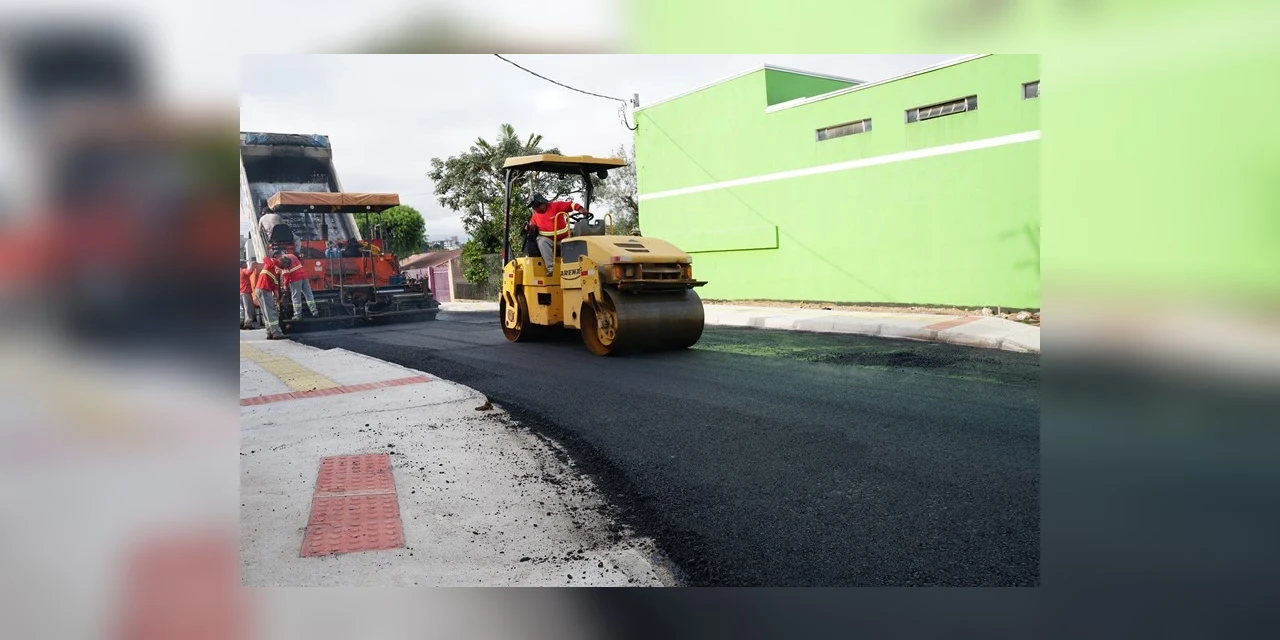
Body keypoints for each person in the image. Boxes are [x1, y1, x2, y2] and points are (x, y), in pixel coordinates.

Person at [525, 194, 583, 276]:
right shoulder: (535, 217)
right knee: (541, 241)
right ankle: (551, 269)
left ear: (542, 203)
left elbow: (570, 204)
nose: (534, 209)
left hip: (565, 238)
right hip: (550, 241)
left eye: (535, 206)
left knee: (577, 240)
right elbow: (529, 227)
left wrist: (580, 208)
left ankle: (576, 268)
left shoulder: (555, 206)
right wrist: (530, 227)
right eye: (533, 207)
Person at [279, 251, 318, 320]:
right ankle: (314, 311)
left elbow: (286, 276)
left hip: (295, 279)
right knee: (309, 295)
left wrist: (285, 285)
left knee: (296, 297)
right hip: (304, 276)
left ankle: (297, 315)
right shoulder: (292, 256)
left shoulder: (283, 262)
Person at [254, 254, 285, 339]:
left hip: (260, 289)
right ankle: (276, 333)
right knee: (271, 312)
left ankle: (269, 332)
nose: (280, 272)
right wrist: (274, 263)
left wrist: (278, 299)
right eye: (280, 270)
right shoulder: (271, 265)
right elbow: (265, 258)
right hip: (264, 289)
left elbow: (275, 290)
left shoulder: (275, 276)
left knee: (266, 313)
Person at [239, 260, 259, 329]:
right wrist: (252, 266)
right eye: (245, 263)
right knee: (248, 308)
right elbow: (249, 272)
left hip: (240, 292)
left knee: (241, 309)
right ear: (242, 265)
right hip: (245, 292)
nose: (246, 265)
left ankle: (240, 322)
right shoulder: (243, 270)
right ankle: (248, 323)